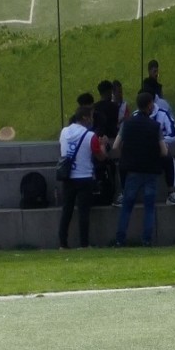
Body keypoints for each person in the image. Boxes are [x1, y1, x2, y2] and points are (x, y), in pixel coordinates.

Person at [111, 90, 166, 247]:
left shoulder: (127, 124)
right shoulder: (155, 126)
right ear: (149, 105)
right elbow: (163, 151)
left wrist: (127, 155)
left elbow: (115, 146)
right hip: (150, 170)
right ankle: (146, 240)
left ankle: (120, 240)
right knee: (149, 207)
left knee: (127, 207)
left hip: (132, 170)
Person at [57, 95, 106, 249]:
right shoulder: (90, 135)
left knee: (67, 211)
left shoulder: (64, 132)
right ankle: (84, 244)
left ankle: (63, 244)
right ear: (85, 118)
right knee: (83, 213)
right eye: (91, 117)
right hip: (84, 177)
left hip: (67, 176)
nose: (92, 120)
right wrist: (103, 144)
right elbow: (100, 156)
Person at [149, 84, 175, 205]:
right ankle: (124, 193)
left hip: (159, 150)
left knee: (168, 158)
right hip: (142, 152)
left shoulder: (162, 114)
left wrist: (160, 141)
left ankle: (171, 193)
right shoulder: (137, 116)